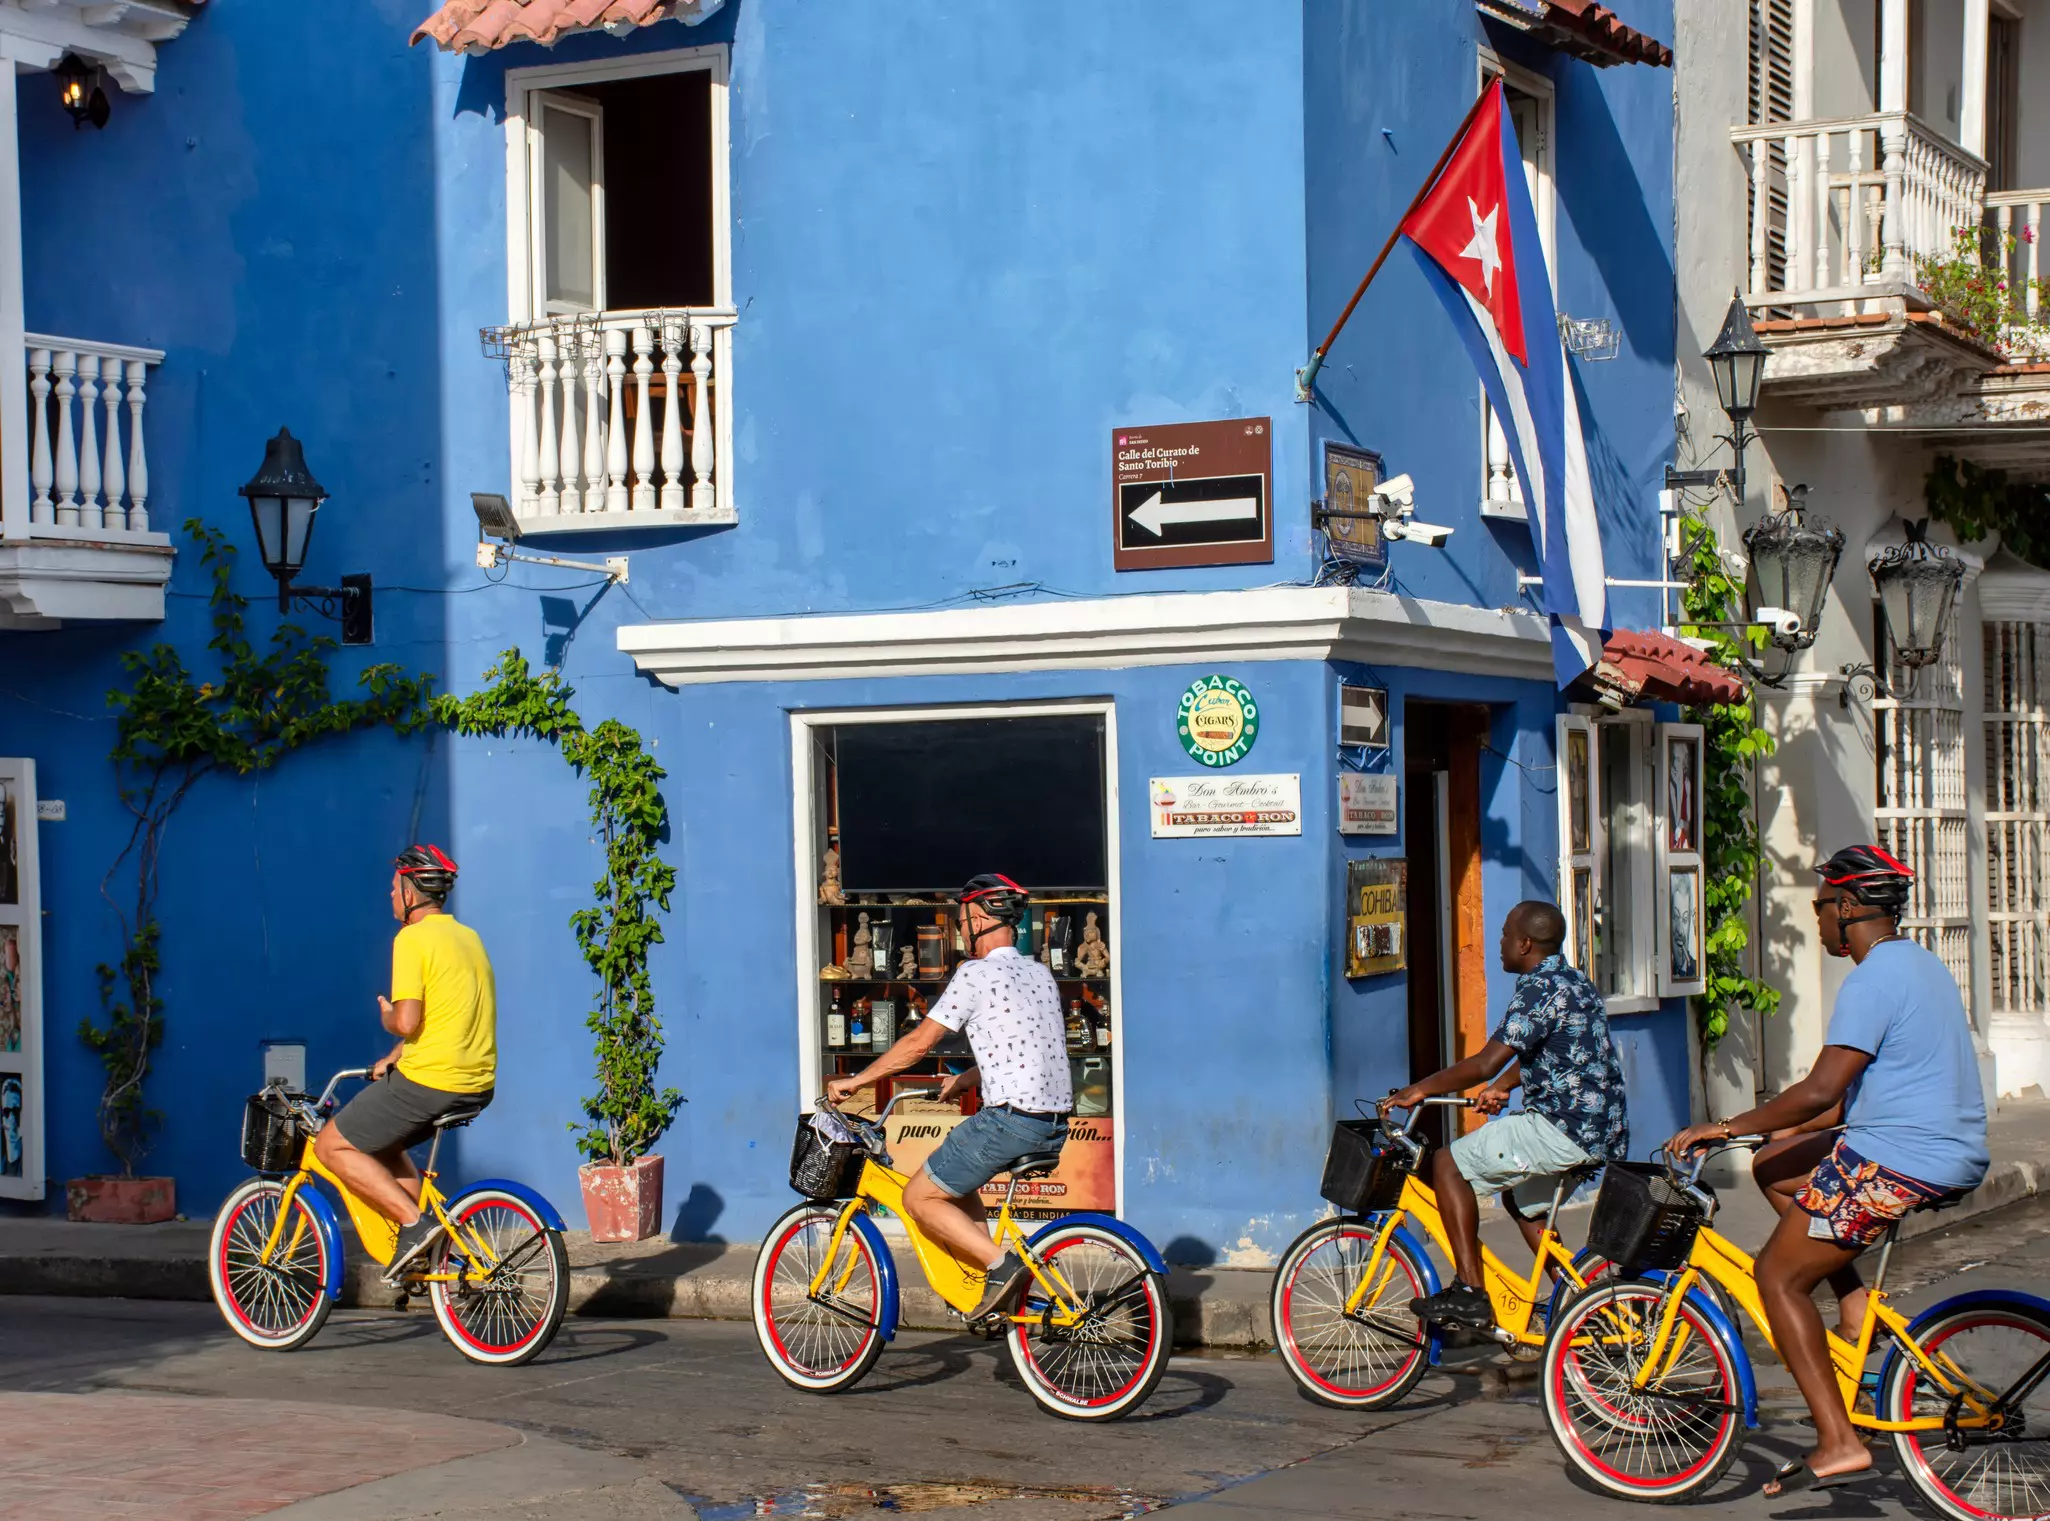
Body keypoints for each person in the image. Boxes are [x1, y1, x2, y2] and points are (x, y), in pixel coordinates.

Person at [1668, 844, 1988, 1498]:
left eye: (1818, 906)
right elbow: (1839, 1101)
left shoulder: (1870, 979)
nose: (1815, 921)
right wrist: (1766, 1131)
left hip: (1896, 1156)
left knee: (1775, 1276)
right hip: (1943, 1144)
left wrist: (1723, 1125)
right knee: (1776, 1164)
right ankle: (1853, 1307)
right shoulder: (1924, 965)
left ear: (1845, 907)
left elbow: (1821, 1091)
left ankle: (1839, 1440)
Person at [825, 873, 1071, 1320]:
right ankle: (987, 1289)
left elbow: (920, 1043)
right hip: (1052, 1124)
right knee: (956, 1183)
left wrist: (856, 1082)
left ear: (978, 919)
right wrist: (967, 1080)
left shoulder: (974, 974)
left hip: (1009, 1121)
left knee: (917, 1199)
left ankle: (1001, 1266)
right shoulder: (1039, 974)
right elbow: (1032, 1050)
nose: (960, 930)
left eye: (961, 921)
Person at [1384, 900, 1629, 1331]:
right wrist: (1505, 1087)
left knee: (1446, 1164)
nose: (1496, 943)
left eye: (1503, 935)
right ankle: (1578, 1301)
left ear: (1525, 943)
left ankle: (1469, 1292)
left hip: (1561, 1128)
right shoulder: (1574, 980)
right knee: (1522, 1203)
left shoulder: (1537, 988)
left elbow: (1482, 1064)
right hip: (1600, 1129)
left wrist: (1420, 1087)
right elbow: (1557, 1053)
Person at [312, 845, 497, 1277]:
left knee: (330, 1145)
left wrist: (387, 1018)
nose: (389, 895)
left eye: (394, 887)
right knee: (385, 1143)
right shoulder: (469, 938)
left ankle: (415, 1225)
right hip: (477, 1080)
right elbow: (448, 1015)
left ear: (411, 893)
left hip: (432, 1080)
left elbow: (408, 1019)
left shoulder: (411, 939)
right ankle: (420, 1253)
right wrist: (395, 1057)